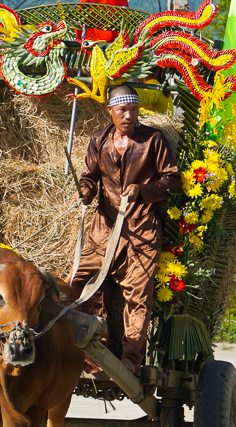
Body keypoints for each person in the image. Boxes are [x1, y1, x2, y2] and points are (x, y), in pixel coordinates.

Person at [69, 84, 181, 375]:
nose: (129, 115)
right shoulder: (99, 140)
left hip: (141, 231)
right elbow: (89, 176)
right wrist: (85, 192)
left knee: (138, 296)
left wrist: (144, 191)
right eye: (122, 110)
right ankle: (94, 350)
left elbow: (172, 180)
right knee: (81, 286)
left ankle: (131, 359)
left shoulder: (153, 140)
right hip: (102, 231)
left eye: (133, 110)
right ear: (111, 111)